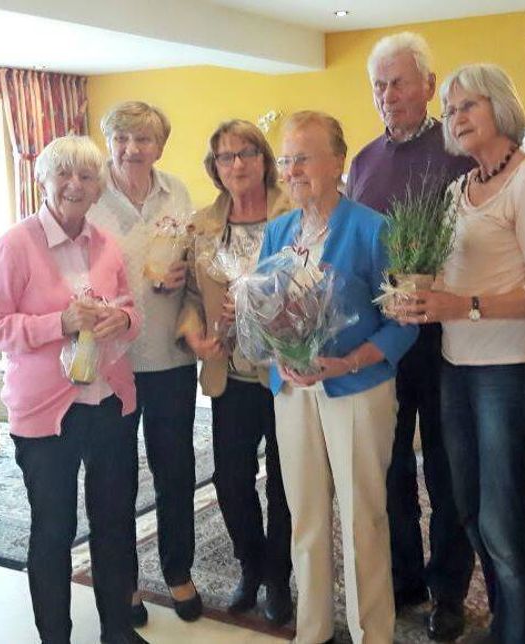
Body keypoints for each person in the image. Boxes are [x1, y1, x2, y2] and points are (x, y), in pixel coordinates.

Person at [392, 63, 525, 643]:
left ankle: (524, 632)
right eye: (451, 109)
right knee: (469, 508)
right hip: (456, 367)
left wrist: (461, 306)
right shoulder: (456, 190)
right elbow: (444, 277)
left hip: (510, 371)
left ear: (500, 107)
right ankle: (505, 621)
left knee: (503, 512)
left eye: (469, 105)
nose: (457, 117)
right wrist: (410, 295)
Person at [0, 136, 146, 644]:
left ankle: (118, 630)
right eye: (63, 173)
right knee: (54, 531)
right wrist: (59, 324)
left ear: (99, 187)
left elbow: (132, 309)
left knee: (115, 524)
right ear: (41, 181)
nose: (75, 184)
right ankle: (56, 638)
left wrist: (122, 318)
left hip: (110, 402)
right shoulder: (14, 244)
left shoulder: (106, 243)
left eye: (87, 176)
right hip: (46, 412)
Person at [262, 111, 418, 643]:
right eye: (286, 158)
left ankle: (371, 632)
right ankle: (313, 631)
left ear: (338, 162)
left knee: (362, 518)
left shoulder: (375, 229)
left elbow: (404, 322)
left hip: (356, 389)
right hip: (291, 391)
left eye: (303, 157)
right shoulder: (279, 229)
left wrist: (350, 362)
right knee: (304, 515)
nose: (292, 169)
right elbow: (263, 305)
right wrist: (276, 354)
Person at [345, 31, 476, 641]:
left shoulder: (459, 151)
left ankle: (449, 590)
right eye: (379, 85)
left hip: (447, 338)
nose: (388, 95)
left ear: (429, 85)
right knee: (389, 464)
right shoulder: (363, 161)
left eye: (399, 82)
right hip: (381, 340)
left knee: (448, 467)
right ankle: (402, 577)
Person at [86, 101, 202, 623]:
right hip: (111, 364)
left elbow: (192, 256)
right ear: (109, 141)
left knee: (175, 471)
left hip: (170, 359)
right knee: (115, 479)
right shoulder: (88, 193)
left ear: (161, 145)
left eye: (143, 140)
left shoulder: (176, 191)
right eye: (121, 139)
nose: (131, 149)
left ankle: (178, 573)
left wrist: (179, 275)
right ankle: (125, 584)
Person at [177, 120, 294, 625]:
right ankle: (253, 564)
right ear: (215, 167)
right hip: (231, 373)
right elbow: (187, 297)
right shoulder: (203, 225)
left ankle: (279, 578)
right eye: (226, 157)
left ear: (265, 159)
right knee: (231, 480)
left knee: (286, 484)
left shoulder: (297, 213)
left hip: (288, 374)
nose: (237, 164)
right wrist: (194, 334)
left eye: (247, 153)